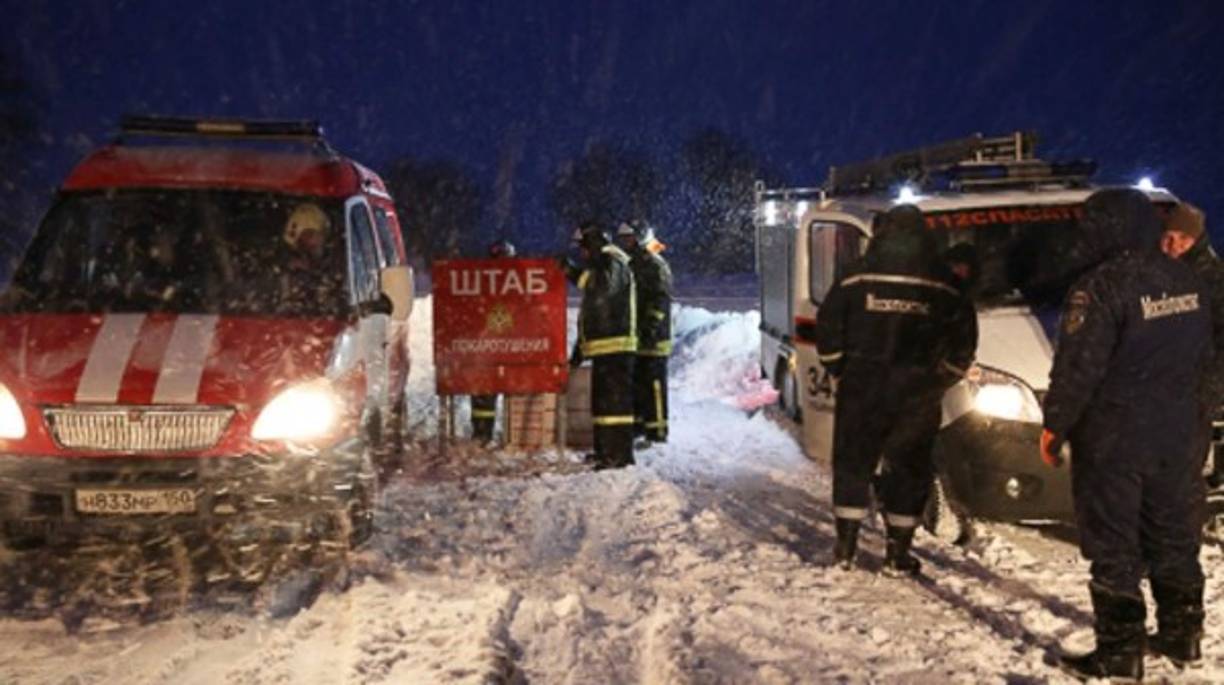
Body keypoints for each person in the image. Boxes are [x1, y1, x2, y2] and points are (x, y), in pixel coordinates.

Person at [1041, 189, 1210, 680]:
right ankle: (1183, 635)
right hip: (1179, 432)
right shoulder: (1187, 278)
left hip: (1116, 437)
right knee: (1174, 534)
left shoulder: (1100, 287)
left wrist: (1055, 425)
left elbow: (1078, 369)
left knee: (1114, 543)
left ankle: (1119, 652)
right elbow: (1201, 356)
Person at [815, 204, 977, 576]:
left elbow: (829, 326)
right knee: (908, 467)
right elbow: (964, 343)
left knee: (854, 463)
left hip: (863, 389)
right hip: (916, 395)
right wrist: (938, 381)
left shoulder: (855, 276)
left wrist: (840, 368)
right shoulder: (945, 284)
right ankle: (897, 553)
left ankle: (845, 549)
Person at [1159, 202, 1224, 489]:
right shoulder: (1156, 270)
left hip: (1193, 391)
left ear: (1196, 240)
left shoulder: (1210, 278)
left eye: (1183, 239)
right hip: (1159, 390)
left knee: (1182, 473)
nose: (1175, 245)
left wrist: (1208, 389)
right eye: (1169, 237)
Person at [563, 221, 637, 469]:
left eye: (583, 247)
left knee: (614, 407)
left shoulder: (612, 261)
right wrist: (579, 351)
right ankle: (605, 451)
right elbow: (594, 312)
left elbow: (600, 288)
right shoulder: (604, 263)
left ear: (593, 244)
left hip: (616, 347)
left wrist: (571, 272)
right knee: (604, 407)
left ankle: (618, 456)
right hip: (607, 348)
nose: (582, 253)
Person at [616, 222, 674, 446]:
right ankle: (640, 427)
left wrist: (650, 326)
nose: (626, 243)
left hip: (655, 340)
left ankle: (658, 431)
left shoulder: (654, 264)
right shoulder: (633, 263)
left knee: (654, 387)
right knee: (639, 386)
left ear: (640, 237)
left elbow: (660, 299)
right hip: (638, 336)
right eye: (623, 239)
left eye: (629, 238)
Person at [471, 239, 517, 445]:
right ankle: (482, 436)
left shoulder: (518, 282)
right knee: (483, 395)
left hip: (509, 347)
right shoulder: (483, 282)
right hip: (490, 348)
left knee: (488, 393)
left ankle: (486, 436)